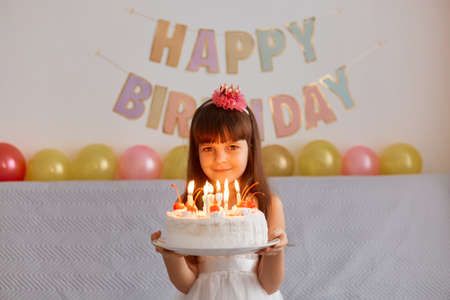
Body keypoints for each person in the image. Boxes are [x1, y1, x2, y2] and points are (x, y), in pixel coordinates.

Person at [151, 84, 288, 299]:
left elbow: (269, 285)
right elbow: (187, 284)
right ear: (197, 153)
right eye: (208, 149)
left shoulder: (268, 204)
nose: (220, 159)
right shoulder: (188, 206)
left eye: (232, 147)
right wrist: (172, 256)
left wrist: (276, 252)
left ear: (250, 149)